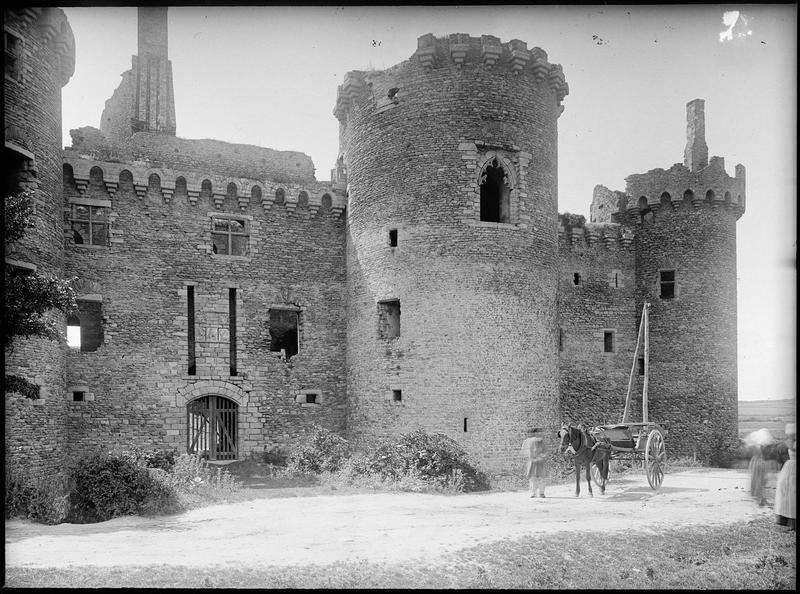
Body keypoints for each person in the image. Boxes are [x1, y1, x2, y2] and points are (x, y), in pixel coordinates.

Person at [774, 423, 796, 531]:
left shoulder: (789, 443)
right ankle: (791, 523)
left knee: (792, 495)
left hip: (791, 467)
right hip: (790, 467)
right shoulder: (789, 443)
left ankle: (792, 524)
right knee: (789, 495)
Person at [521, 428, 548, 498]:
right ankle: (533, 493)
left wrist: (540, 457)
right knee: (532, 478)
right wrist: (530, 458)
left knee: (541, 478)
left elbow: (545, 451)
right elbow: (523, 452)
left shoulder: (541, 441)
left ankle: (541, 493)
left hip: (540, 462)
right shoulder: (526, 441)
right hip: (531, 462)